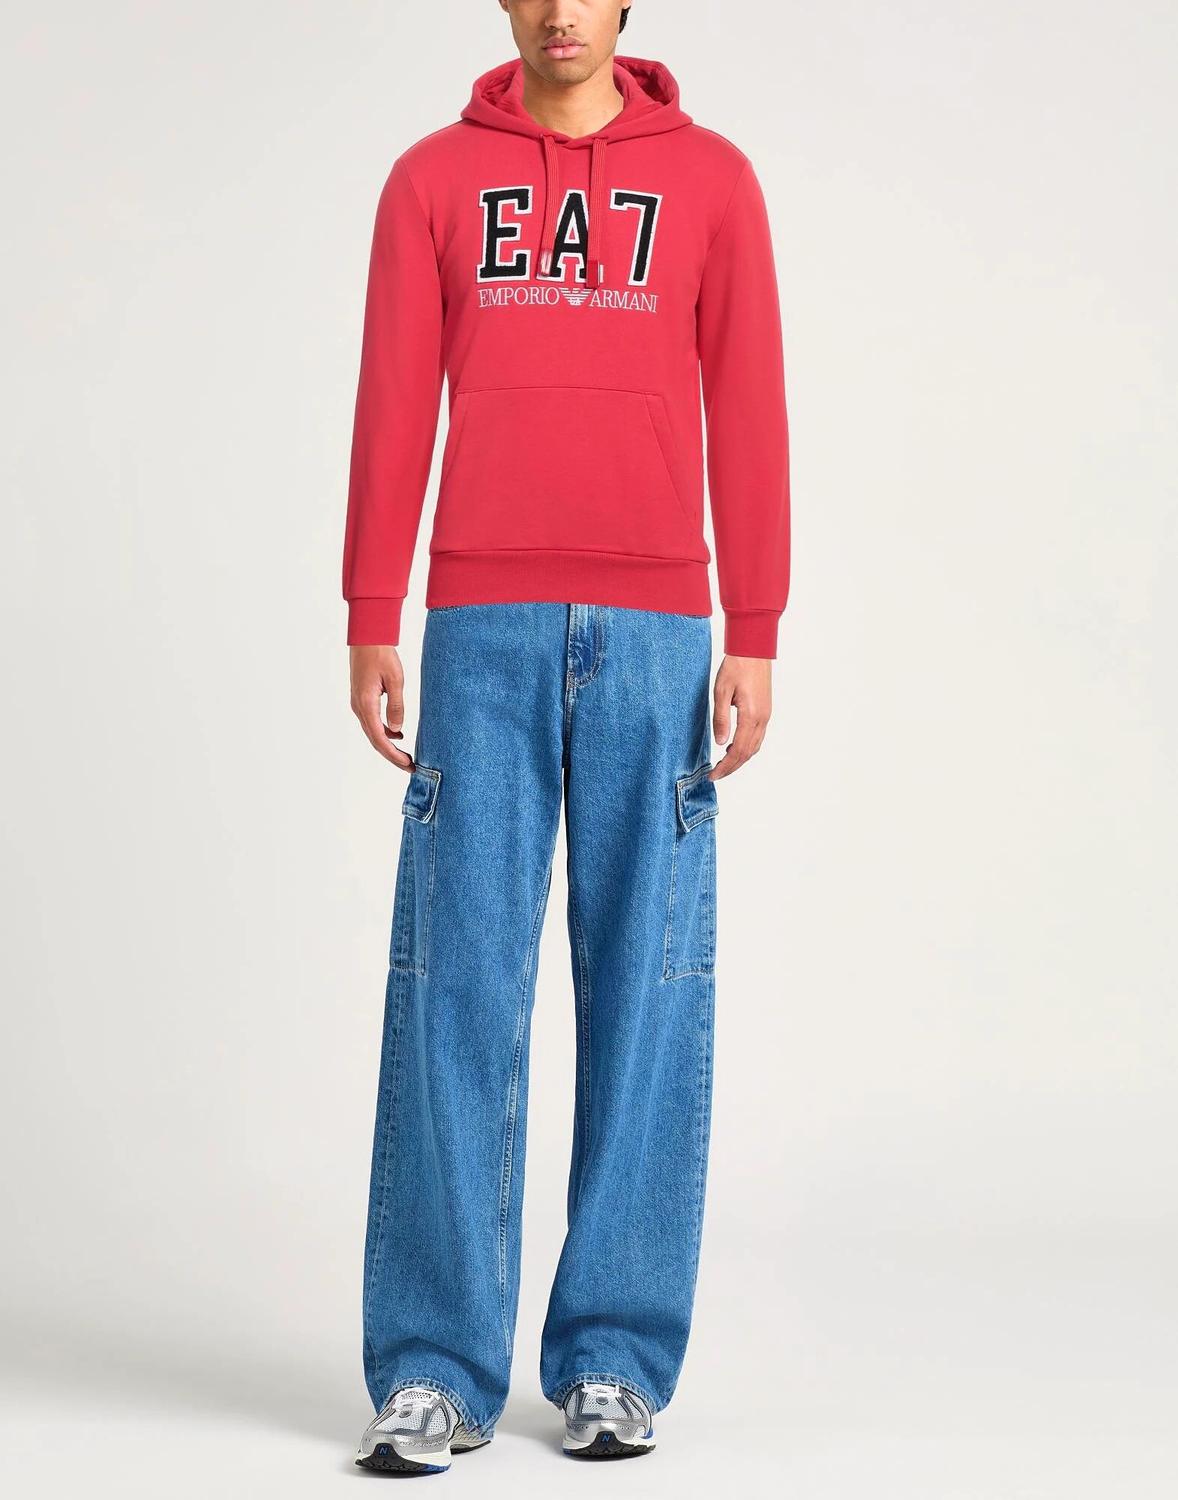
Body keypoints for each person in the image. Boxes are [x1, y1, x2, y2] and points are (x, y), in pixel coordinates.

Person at [343, 0, 789, 1474]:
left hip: (660, 631)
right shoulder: (430, 179)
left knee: (648, 995)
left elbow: (749, 399)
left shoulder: (712, 180)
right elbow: (394, 393)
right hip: (480, 626)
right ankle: (434, 1367)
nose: (558, 11)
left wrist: (754, 624)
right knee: (455, 989)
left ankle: (613, 1355)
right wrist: (371, 605)